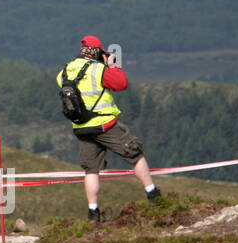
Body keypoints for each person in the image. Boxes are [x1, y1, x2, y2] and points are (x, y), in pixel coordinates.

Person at [57, 34, 161, 222]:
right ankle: (153, 194)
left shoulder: (65, 71)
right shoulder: (98, 69)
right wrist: (111, 65)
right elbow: (121, 84)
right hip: (105, 125)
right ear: (97, 51)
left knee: (91, 170)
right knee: (134, 153)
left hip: (81, 128)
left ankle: (93, 212)